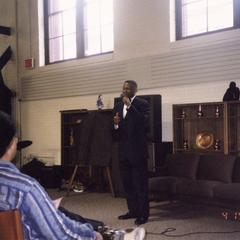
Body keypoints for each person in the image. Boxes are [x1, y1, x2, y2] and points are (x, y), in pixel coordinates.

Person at [0, 111, 103, 240]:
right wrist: (93, 236)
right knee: (59, 215)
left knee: (59, 212)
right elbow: (60, 235)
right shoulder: (25, 187)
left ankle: (98, 227)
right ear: (12, 144)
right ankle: (100, 229)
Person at [113, 80, 150, 225]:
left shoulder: (143, 104)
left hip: (138, 153)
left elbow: (143, 124)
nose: (125, 90)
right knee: (127, 184)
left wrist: (130, 106)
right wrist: (115, 124)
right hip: (123, 153)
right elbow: (115, 134)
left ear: (135, 89)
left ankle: (143, 214)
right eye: (123, 88)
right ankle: (133, 211)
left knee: (140, 185)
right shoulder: (117, 106)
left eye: (128, 88)